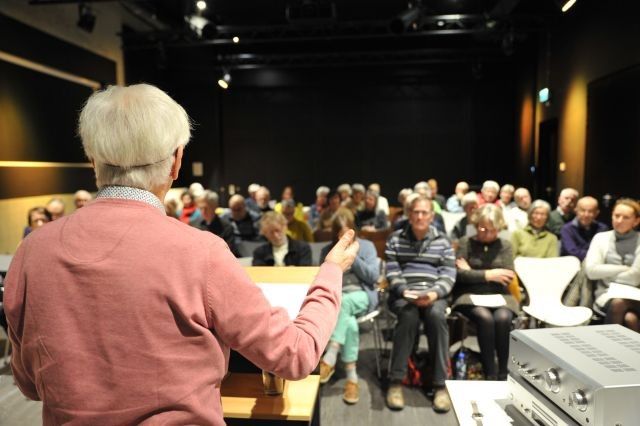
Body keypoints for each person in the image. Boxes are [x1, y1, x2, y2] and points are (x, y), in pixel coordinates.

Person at [4, 84, 359, 425]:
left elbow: (30, 384)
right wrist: (330, 272)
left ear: (92, 159)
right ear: (176, 161)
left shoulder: (32, 251)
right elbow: (294, 355)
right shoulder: (200, 253)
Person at [385, 194, 455, 413]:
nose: (420, 216)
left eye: (425, 212)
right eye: (416, 212)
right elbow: (392, 271)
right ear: (409, 214)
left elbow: (448, 273)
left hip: (434, 295)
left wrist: (434, 294)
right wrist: (405, 291)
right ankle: (396, 382)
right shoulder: (395, 239)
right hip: (404, 294)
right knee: (408, 316)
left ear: (432, 215)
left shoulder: (442, 241)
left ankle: (440, 385)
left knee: (436, 316)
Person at [318, 208, 379, 404]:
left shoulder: (367, 247)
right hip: (338, 297)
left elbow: (373, 277)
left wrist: (354, 255)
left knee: (344, 305)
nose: (344, 236)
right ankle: (352, 377)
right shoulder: (327, 250)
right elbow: (322, 278)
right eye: (340, 233)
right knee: (350, 324)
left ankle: (331, 354)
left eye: (348, 232)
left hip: (362, 295)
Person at [453, 204, 517, 380]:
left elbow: (508, 276)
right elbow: (459, 275)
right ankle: (490, 372)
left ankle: (503, 372)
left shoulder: (505, 245)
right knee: (485, 318)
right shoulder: (466, 242)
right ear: (475, 224)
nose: (487, 234)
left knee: (503, 318)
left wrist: (472, 271)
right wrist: (490, 274)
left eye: (491, 230)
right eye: (482, 228)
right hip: (468, 294)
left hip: (500, 295)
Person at [585, 198, 640, 331]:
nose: (619, 220)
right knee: (629, 318)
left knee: (620, 304)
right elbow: (591, 271)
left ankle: (605, 348)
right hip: (607, 293)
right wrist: (625, 268)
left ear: (636, 221)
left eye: (626, 217)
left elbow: (635, 277)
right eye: (616, 216)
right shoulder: (601, 238)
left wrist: (606, 273)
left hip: (636, 294)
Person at [560, 196, 608, 261]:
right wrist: (596, 255)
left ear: (596, 213)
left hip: (595, 265)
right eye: (583, 210)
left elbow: (605, 251)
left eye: (590, 211)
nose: (586, 215)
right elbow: (572, 252)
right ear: (576, 211)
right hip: (572, 266)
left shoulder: (602, 229)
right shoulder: (567, 229)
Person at [195, 190, 240, 257]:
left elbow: (229, 251)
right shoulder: (196, 226)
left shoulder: (226, 227)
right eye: (201, 208)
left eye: (206, 208)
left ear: (214, 207)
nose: (203, 212)